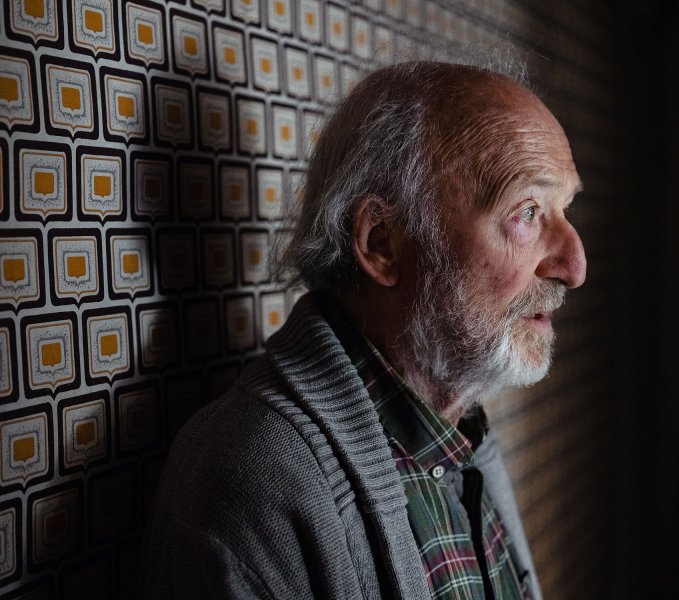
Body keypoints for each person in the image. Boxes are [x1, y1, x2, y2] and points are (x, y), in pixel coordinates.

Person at [141, 61, 586, 599]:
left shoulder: (457, 430)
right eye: (528, 211)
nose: (574, 265)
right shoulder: (251, 480)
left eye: (564, 208)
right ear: (381, 242)